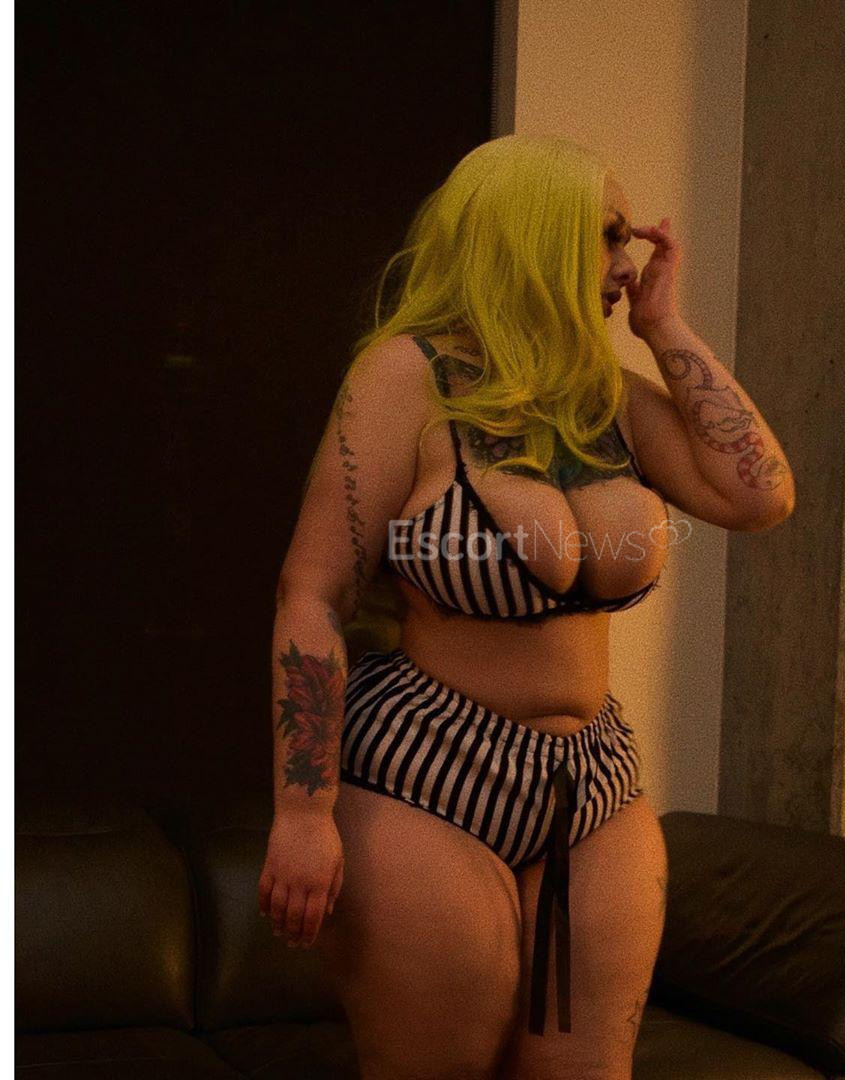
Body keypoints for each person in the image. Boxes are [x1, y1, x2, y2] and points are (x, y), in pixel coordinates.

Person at [259, 134, 795, 1080]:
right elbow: (315, 595)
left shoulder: (607, 398)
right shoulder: (406, 377)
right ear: (534, 236)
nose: (627, 266)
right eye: (608, 236)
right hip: (425, 767)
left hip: (592, 775)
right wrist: (304, 811)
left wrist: (666, 328)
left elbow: (758, 496)